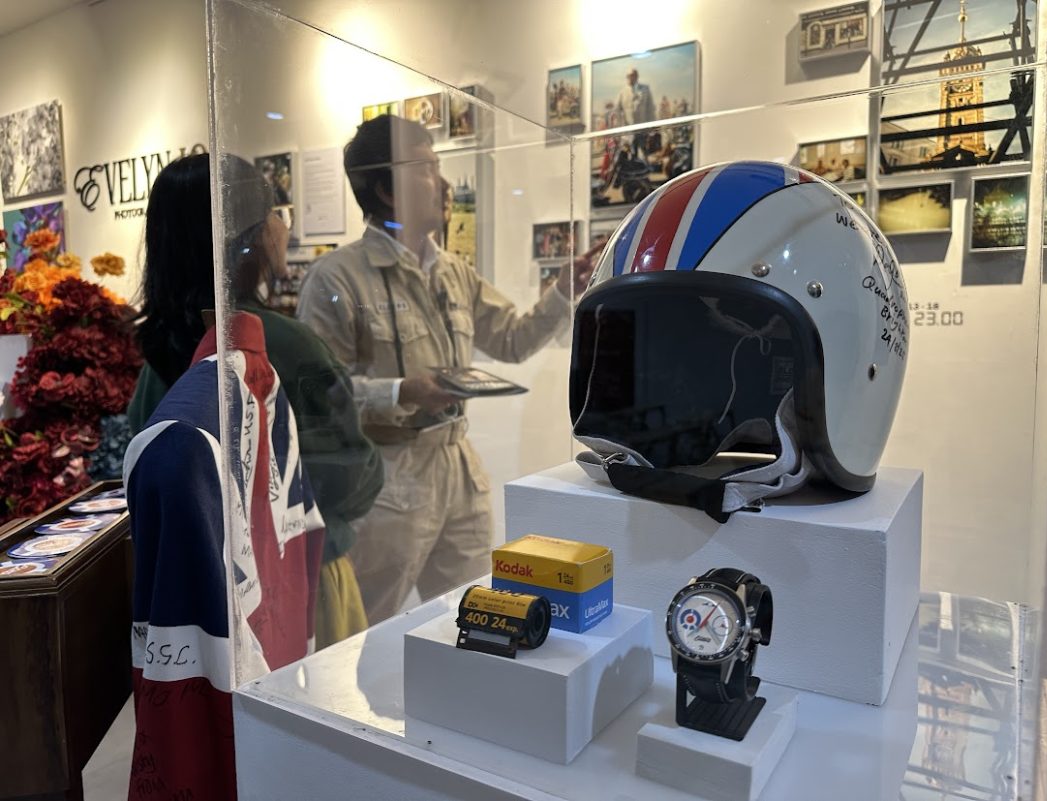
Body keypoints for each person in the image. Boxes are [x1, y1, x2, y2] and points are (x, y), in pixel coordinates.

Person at [297, 114, 601, 624]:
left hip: (458, 470)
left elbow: (511, 340)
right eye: (425, 168)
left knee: (476, 613)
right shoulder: (337, 278)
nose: (442, 184)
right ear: (386, 190)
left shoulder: (454, 272)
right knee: (365, 629)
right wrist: (402, 392)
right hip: (387, 479)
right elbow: (320, 394)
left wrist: (563, 291)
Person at [128, 152, 383, 647]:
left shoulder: (156, 358)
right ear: (250, 237)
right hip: (302, 586)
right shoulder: (284, 345)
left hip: (204, 607)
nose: (282, 228)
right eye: (276, 213)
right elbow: (354, 475)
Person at [615, 67, 656, 159]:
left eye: (631, 76)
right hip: (629, 130)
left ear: (636, 76)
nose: (629, 78)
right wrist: (621, 125)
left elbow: (650, 108)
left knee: (645, 152)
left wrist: (652, 126)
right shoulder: (623, 92)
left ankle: (646, 165)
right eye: (627, 76)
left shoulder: (645, 89)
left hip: (643, 128)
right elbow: (617, 109)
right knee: (632, 155)